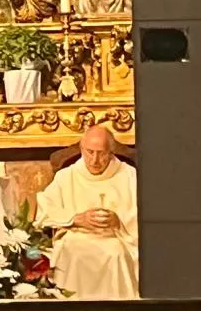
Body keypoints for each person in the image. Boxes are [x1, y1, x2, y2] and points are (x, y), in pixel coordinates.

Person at [34, 125, 140, 299]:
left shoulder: (129, 176)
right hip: (77, 236)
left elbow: (143, 215)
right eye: (89, 152)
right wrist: (74, 219)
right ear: (82, 149)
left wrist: (118, 221)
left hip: (115, 239)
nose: (95, 160)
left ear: (111, 152)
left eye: (101, 153)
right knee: (72, 250)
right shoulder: (66, 176)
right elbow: (45, 209)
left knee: (116, 254)